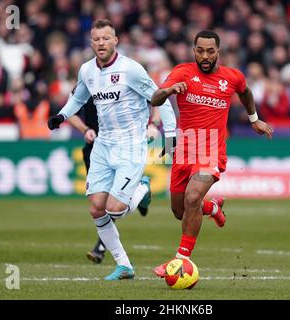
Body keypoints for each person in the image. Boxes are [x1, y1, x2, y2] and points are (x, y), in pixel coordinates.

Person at [47, 19, 176, 280]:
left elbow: (160, 98)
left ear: (115, 41)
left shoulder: (131, 69)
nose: (101, 43)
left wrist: (170, 136)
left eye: (106, 38)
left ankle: (142, 188)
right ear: (91, 42)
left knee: (115, 208)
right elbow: (78, 98)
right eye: (96, 39)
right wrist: (61, 117)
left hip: (130, 144)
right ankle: (124, 265)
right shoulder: (86, 71)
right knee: (96, 207)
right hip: (104, 144)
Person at [150, 30, 274, 277]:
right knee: (180, 211)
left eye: (210, 51)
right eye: (200, 50)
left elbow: (246, 92)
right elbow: (154, 99)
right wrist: (170, 90)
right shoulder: (182, 72)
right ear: (193, 50)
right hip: (184, 147)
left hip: (211, 149)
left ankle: (181, 261)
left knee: (192, 197)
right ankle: (212, 208)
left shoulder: (231, 77)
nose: (204, 56)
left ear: (218, 51)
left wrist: (254, 119)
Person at [67, 100, 162, 264]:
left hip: (123, 147)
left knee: (113, 203)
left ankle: (101, 247)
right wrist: (85, 129)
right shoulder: (88, 81)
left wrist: (153, 124)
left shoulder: (124, 78)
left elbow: (158, 99)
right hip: (97, 148)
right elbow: (70, 111)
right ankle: (138, 194)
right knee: (99, 203)